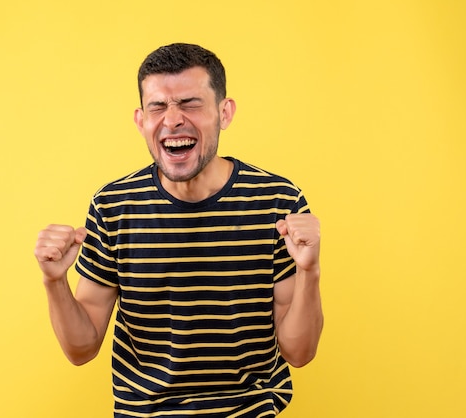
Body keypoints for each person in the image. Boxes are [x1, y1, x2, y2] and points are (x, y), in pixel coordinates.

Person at [34, 43, 323, 417]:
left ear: (224, 112)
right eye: (158, 106)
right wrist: (54, 281)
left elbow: (299, 353)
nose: (172, 120)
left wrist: (309, 271)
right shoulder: (113, 206)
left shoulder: (277, 202)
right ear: (141, 120)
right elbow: (81, 349)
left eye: (189, 103)